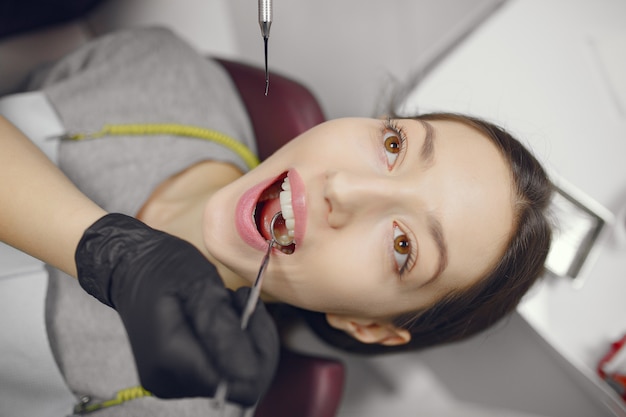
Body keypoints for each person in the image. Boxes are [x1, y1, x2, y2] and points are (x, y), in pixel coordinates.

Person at [0, 26, 553, 415]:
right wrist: (108, 253)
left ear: (369, 327)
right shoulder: (167, 71)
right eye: (393, 144)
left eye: (404, 246)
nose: (345, 187)